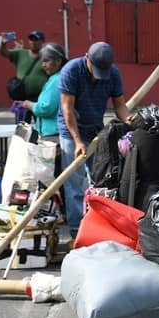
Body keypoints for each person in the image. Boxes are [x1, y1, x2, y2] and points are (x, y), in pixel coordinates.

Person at [58, 41, 130, 238]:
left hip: (96, 130)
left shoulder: (112, 73)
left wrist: (130, 119)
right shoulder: (71, 70)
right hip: (71, 130)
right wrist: (78, 141)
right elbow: (67, 109)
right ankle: (76, 232)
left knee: (99, 181)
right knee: (75, 183)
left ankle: (97, 229)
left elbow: (120, 105)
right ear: (86, 58)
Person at [18, 43, 67, 142]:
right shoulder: (59, 77)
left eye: (46, 61)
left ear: (58, 61)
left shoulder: (56, 80)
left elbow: (45, 108)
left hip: (53, 135)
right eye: (42, 62)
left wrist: (29, 104)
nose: (43, 65)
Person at [0, 30, 49, 123]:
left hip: (39, 98)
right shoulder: (20, 53)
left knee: (41, 125)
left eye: (36, 39)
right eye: (31, 39)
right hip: (22, 98)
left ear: (42, 42)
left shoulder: (47, 57)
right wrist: (3, 43)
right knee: (21, 127)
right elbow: (4, 53)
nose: (33, 42)